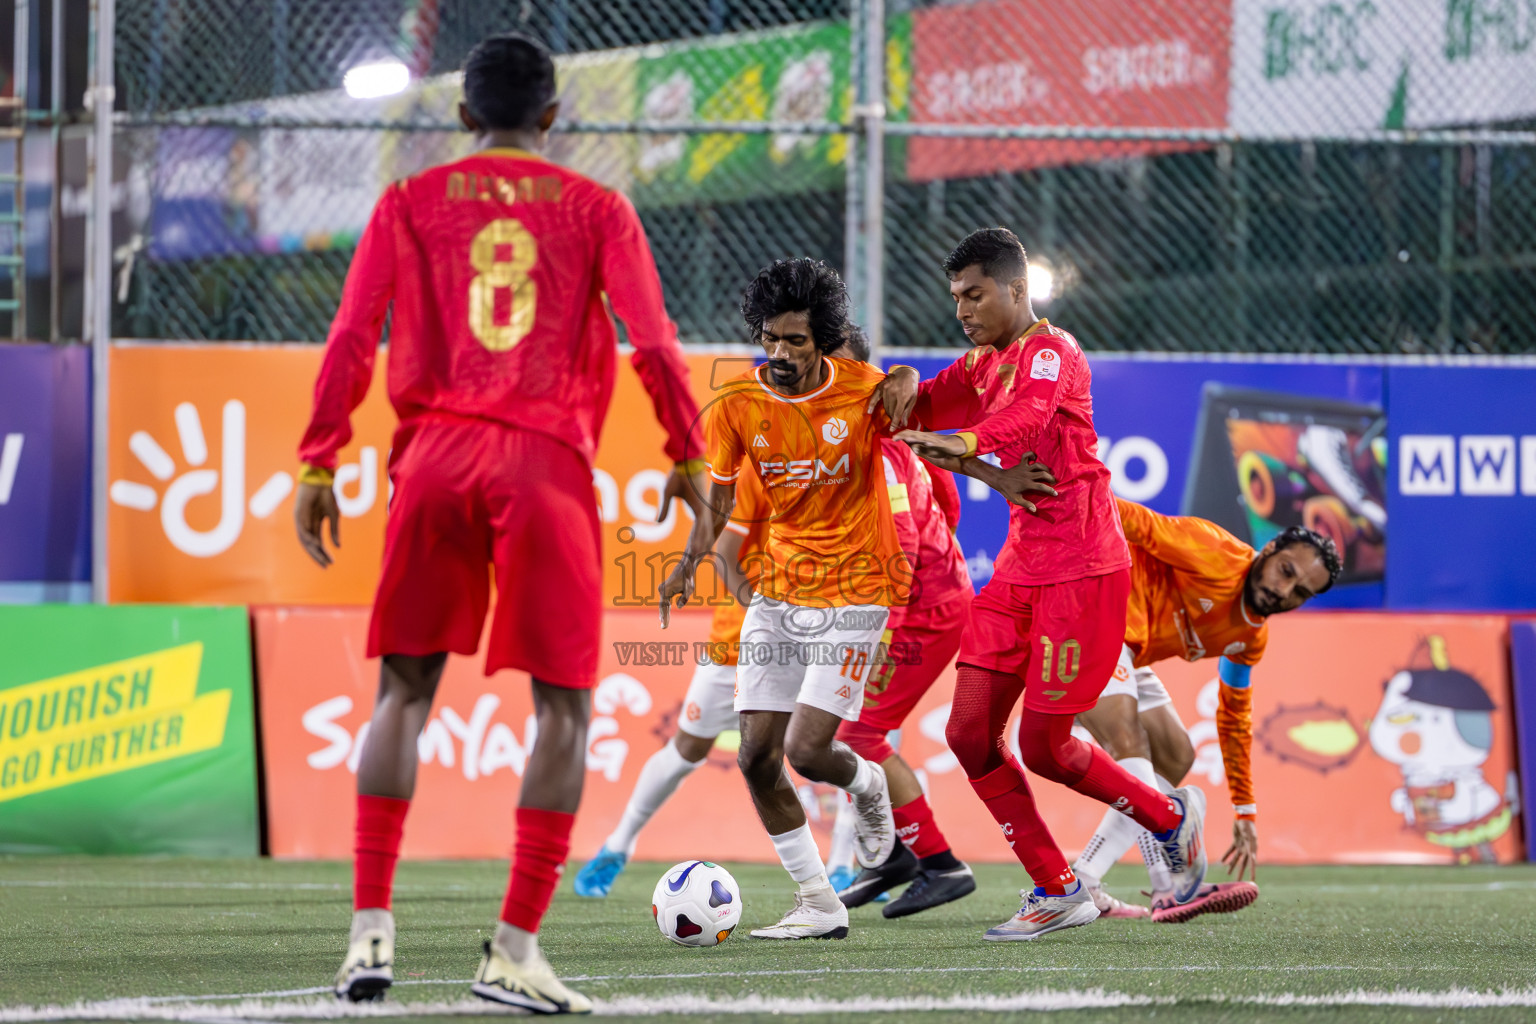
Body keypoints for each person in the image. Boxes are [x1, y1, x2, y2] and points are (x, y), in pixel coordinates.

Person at [293, 33, 706, 1013]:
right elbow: (651, 338)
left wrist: (317, 456)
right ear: (554, 117)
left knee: (403, 693)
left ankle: (367, 938)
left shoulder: (407, 201)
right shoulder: (599, 207)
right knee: (564, 706)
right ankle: (513, 948)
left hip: (432, 455)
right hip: (544, 461)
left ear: (466, 116)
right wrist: (688, 454)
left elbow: (354, 334)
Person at [870, 227, 1205, 941]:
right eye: (955, 296)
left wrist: (960, 445)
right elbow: (923, 405)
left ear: (1018, 289)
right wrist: (896, 377)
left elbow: (1024, 419)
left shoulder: (1054, 351)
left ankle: (1169, 817)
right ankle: (1058, 887)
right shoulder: (981, 361)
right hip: (1021, 570)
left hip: (1083, 568)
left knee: (1047, 747)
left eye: (975, 294)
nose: (961, 309)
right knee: (967, 733)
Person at [657, 258, 905, 940]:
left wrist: (908, 380)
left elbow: (927, 417)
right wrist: (686, 564)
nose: (782, 352)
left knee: (807, 750)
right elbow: (720, 500)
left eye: (796, 340)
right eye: (771, 338)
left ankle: (869, 786)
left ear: (822, 339)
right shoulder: (738, 404)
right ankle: (819, 904)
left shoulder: (864, 391)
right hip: (780, 592)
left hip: (859, 588)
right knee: (756, 756)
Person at [1069, 500, 1341, 922]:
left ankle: (1085, 879)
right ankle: (1171, 886)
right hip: (1089, 616)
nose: (1284, 592)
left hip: (1129, 648)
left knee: (1176, 754)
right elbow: (1128, 517)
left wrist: (1245, 809)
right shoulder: (1215, 551)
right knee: (1130, 742)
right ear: (1268, 552)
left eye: (1301, 593)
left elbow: (1235, 717)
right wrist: (1061, 521)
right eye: (1286, 572)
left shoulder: (1250, 637)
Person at [571, 468, 769, 897]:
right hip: (732, 645)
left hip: (808, 647)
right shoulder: (759, 466)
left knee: (823, 748)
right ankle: (616, 847)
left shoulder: (837, 467)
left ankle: (851, 865)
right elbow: (725, 547)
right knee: (685, 750)